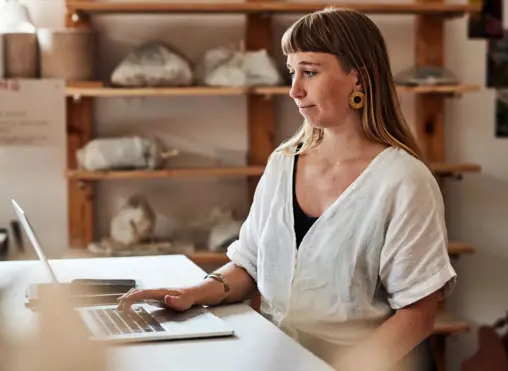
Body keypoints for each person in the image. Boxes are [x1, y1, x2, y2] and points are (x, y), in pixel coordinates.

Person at [117, 7, 456, 371]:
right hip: (283, 353)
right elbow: (249, 264)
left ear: (358, 78)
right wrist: (192, 293)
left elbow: (417, 315)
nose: (294, 89)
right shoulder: (284, 163)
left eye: (309, 72)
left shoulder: (404, 180)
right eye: (292, 72)